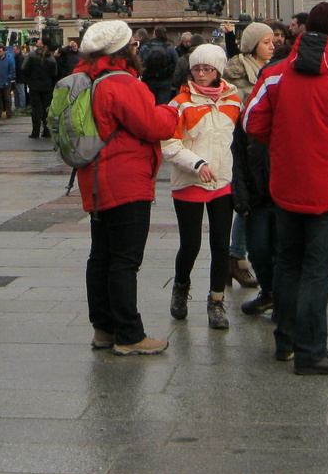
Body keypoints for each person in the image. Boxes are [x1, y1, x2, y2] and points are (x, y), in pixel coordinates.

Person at [244, 1, 328, 375]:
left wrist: (282, 146)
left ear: (303, 33)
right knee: (317, 270)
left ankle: (285, 342)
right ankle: (312, 351)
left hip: (286, 183)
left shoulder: (275, 73)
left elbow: (251, 122)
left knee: (287, 264)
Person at [76, 20, 179, 356]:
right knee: (125, 259)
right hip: (125, 179)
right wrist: (171, 111)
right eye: (133, 44)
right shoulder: (122, 83)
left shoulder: (86, 79)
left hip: (95, 179)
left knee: (101, 256)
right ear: (125, 50)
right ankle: (129, 335)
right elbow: (153, 126)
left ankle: (104, 329)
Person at [163, 43, 242, 330]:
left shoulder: (234, 100)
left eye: (208, 69)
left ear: (218, 70)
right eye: (197, 69)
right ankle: (181, 288)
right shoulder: (180, 103)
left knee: (221, 244)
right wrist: (197, 164)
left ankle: (216, 302)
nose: (201, 74)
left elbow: (239, 140)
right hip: (189, 182)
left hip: (222, 181)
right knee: (191, 244)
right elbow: (170, 146)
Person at [226, 20, 274, 301]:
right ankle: (235, 257)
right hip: (243, 145)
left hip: (263, 148)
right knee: (245, 204)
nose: (272, 46)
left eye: (272, 42)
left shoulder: (268, 71)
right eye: (266, 42)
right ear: (252, 45)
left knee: (253, 203)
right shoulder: (238, 72)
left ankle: (236, 258)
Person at [23, 41, 57, 139]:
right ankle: (47, 131)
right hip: (47, 87)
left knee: (36, 109)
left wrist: (31, 77)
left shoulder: (32, 55)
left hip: (34, 86)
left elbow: (24, 68)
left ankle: (35, 131)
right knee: (47, 109)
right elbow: (54, 73)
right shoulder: (51, 58)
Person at [139, 27, 178, 105]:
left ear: (154, 35)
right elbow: (177, 62)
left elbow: (139, 62)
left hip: (148, 80)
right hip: (165, 80)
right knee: (162, 105)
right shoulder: (169, 48)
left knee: (149, 104)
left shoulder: (146, 48)